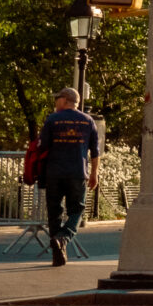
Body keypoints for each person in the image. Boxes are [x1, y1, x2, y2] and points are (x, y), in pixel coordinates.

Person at [36, 87, 99, 267]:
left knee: (54, 213)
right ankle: (63, 239)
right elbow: (95, 152)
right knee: (76, 210)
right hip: (77, 173)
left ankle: (57, 248)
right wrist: (94, 173)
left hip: (54, 173)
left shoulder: (52, 120)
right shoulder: (88, 121)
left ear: (64, 101)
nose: (55, 102)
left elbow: (42, 147)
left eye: (57, 99)